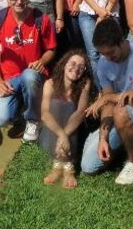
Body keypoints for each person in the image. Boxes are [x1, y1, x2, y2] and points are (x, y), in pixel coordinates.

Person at [81, 18, 133, 185]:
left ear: (122, 41)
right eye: (103, 54)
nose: (108, 58)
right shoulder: (103, 63)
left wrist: (110, 97)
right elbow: (108, 104)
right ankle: (125, 141)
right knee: (88, 165)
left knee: (120, 111)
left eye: (111, 53)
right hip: (121, 115)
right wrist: (103, 137)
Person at [0, 0, 56, 143]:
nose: (19, 2)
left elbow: (51, 49)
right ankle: (19, 111)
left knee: (29, 76)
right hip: (9, 79)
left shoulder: (41, 19)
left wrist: (42, 61)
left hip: (33, 76)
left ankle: (33, 120)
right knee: (0, 119)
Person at [39, 50, 92, 188]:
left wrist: (65, 135)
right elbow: (44, 114)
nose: (76, 68)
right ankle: (62, 165)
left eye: (81, 66)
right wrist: (62, 135)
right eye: (72, 63)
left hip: (74, 135)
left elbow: (80, 112)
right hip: (51, 136)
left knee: (71, 107)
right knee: (55, 105)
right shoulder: (50, 83)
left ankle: (65, 167)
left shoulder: (85, 84)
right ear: (64, 65)